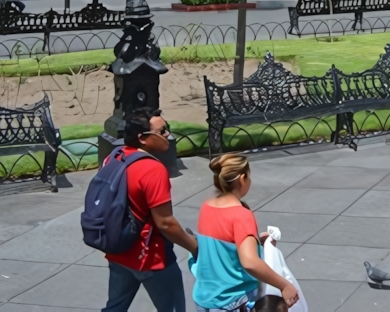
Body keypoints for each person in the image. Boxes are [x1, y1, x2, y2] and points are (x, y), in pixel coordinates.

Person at [101, 110, 199, 312]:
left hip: (119, 251)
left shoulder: (113, 158)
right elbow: (165, 222)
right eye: (162, 131)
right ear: (143, 138)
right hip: (151, 257)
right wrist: (196, 247)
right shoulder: (152, 169)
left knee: (115, 308)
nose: (168, 136)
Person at [191, 153, 299, 312]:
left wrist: (255, 243)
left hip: (205, 299)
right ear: (242, 178)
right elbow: (249, 262)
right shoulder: (241, 215)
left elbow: (220, 248)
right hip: (232, 300)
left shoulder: (207, 207)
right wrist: (284, 285)